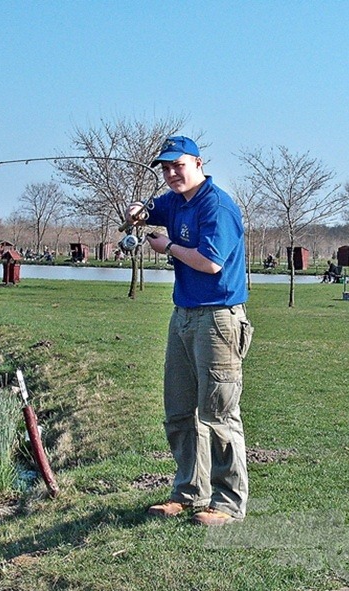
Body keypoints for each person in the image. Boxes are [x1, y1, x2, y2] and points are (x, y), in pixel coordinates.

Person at [126, 136, 253, 526]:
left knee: (218, 414)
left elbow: (210, 263)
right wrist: (138, 212)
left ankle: (229, 503)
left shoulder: (217, 206)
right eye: (164, 168)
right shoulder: (175, 200)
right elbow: (151, 209)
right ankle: (188, 492)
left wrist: (166, 247)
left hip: (218, 318)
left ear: (198, 163)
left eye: (177, 166)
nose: (170, 174)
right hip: (182, 315)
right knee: (179, 411)